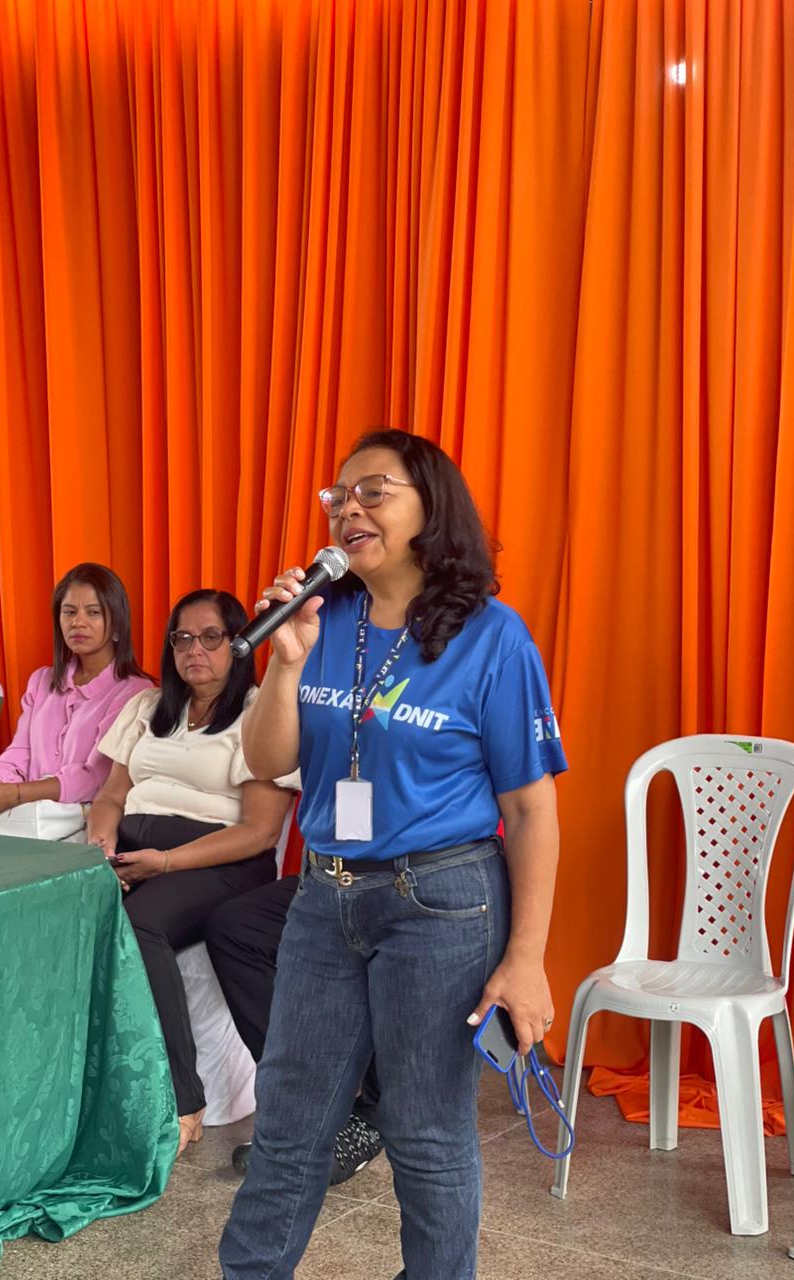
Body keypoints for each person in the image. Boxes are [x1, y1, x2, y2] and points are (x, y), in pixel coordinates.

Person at [219, 429, 568, 1280]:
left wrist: (526, 958)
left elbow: (530, 810)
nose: (350, 509)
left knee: (425, 1131)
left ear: (430, 508)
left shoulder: (493, 637)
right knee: (289, 1124)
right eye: (339, 496)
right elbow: (267, 761)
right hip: (324, 896)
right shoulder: (321, 619)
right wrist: (285, 663)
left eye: (374, 491)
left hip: (440, 903)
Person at [87, 588, 296, 1157]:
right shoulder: (148, 706)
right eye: (182, 638)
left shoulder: (261, 712)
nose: (194, 650)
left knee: (138, 926)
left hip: (220, 860)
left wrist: (164, 863)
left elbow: (260, 831)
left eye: (210, 637)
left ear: (239, 643)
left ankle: (185, 1100)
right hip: (133, 851)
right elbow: (110, 796)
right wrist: (102, 849)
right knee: (65, 911)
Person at [0, 563, 151, 841]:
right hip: (26, 816)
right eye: (69, 612)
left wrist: (13, 794)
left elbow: (96, 778)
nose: (78, 622)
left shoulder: (135, 691)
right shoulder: (42, 680)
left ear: (116, 623)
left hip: (86, 825)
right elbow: (20, 752)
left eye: (93, 612)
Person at [204, 876, 385, 1184]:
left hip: (418, 877)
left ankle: (373, 1118)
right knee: (237, 927)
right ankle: (303, 1097)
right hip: (338, 874)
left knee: (397, 955)